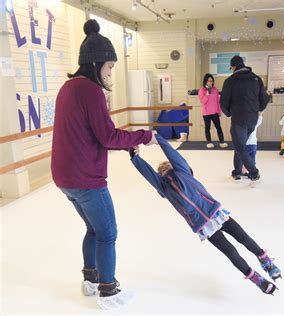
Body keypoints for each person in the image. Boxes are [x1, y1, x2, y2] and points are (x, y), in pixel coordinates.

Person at [51, 19, 157, 309]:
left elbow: (91, 133)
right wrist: (145, 136)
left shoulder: (69, 87)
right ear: (96, 62)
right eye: (109, 66)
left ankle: (89, 278)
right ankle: (107, 290)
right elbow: (107, 135)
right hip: (86, 178)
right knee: (108, 232)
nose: (110, 73)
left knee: (94, 229)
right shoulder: (90, 90)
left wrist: (126, 143)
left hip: (65, 177)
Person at [129, 134, 281, 295]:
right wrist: (135, 157)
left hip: (215, 212)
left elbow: (174, 156)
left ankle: (265, 260)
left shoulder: (183, 171)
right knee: (230, 252)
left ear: (172, 166)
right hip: (202, 225)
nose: (164, 170)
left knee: (243, 237)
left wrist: (160, 139)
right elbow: (148, 174)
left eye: (166, 167)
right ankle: (254, 278)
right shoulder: (163, 187)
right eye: (161, 171)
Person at [220, 56, 270, 182]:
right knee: (240, 146)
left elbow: (223, 102)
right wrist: (257, 110)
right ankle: (237, 171)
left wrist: (229, 113)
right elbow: (265, 99)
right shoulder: (256, 79)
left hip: (239, 120)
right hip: (252, 119)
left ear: (233, 66)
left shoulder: (230, 81)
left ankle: (254, 172)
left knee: (240, 147)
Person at [198, 73, 228, 149]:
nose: (210, 82)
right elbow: (203, 101)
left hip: (215, 112)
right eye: (209, 81)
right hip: (206, 113)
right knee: (207, 128)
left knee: (218, 127)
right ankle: (209, 142)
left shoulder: (215, 90)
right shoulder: (202, 90)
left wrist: (219, 111)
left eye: (211, 81)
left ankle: (222, 142)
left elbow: (218, 101)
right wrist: (207, 94)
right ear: (205, 81)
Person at [242, 113, 263, 177]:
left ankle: (243, 171)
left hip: (247, 144)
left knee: (245, 159)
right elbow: (259, 120)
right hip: (254, 144)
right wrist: (260, 114)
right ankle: (252, 171)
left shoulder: (243, 125)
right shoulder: (254, 124)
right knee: (252, 158)